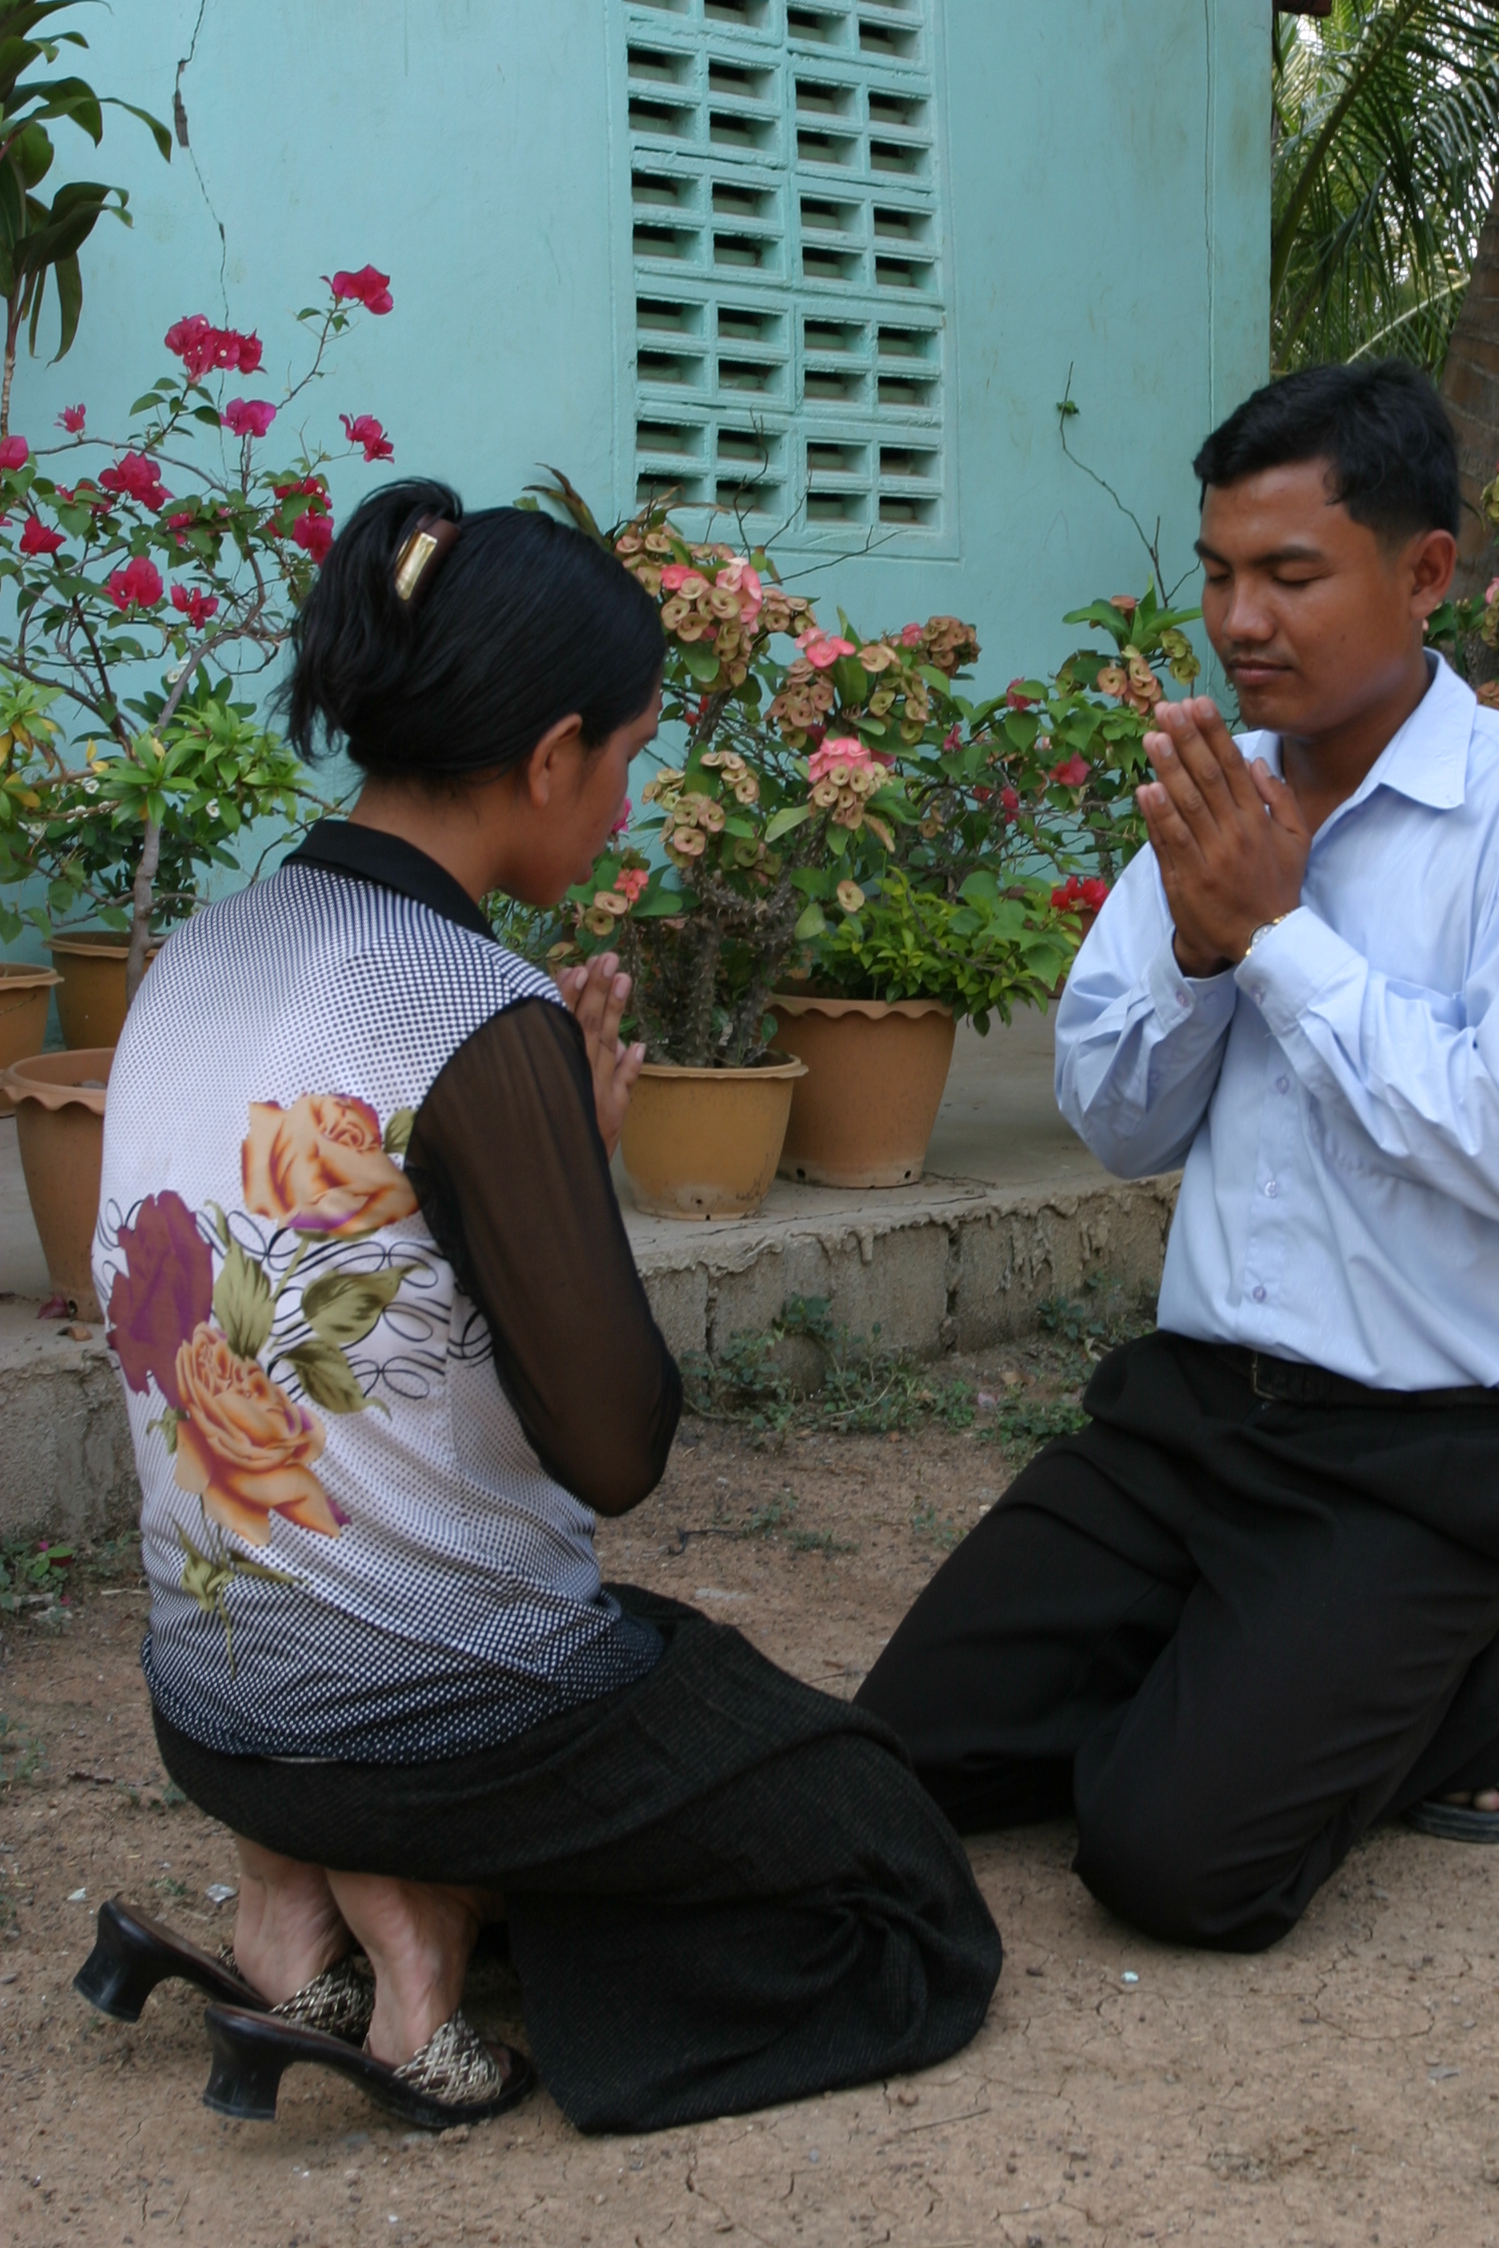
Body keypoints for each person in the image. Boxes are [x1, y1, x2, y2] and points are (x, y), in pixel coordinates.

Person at [81, 480, 999, 2130]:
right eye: (632, 758)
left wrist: (525, 1196)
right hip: (443, 1724)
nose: (629, 804)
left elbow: (277, 1356)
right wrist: (571, 1180)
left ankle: (305, 1884)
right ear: (553, 752)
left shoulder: (205, 950)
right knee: (887, 1865)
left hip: (213, 1717)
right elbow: (616, 1446)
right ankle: (422, 1902)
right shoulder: (472, 1004)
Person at [859, 362, 1499, 1950]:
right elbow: (1118, 1119)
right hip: (1189, 1425)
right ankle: (1270, 1667)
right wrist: (1207, 951)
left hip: (1429, 1459)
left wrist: (1281, 937)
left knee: (1172, 1863)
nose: (1240, 620)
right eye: (1221, 573)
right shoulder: (1216, 805)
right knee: (888, 1767)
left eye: (1291, 575)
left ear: (1425, 574)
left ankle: (1491, 1678)